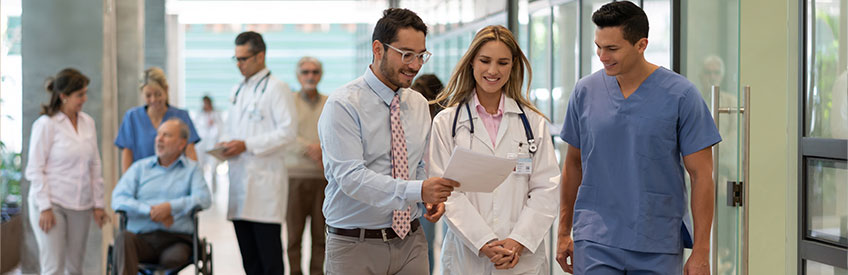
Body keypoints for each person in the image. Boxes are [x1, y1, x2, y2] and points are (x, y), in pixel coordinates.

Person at [555, 2, 721, 274]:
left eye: (612, 49)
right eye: (598, 46)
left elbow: (702, 175)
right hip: (596, 238)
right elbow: (573, 164)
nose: (602, 56)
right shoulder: (585, 91)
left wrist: (702, 251)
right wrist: (563, 232)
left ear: (641, 44)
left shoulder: (682, 95)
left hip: (657, 241)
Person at [317, 8, 459, 275]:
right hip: (355, 245)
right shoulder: (343, 105)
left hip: (411, 242)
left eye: (421, 56)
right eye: (406, 55)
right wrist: (418, 191)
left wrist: (428, 196)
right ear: (378, 49)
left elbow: (416, 164)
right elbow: (351, 178)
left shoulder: (417, 103)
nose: (415, 65)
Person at [428, 25, 560, 274]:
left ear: (513, 66)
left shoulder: (533, 123)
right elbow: (446, 193)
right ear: (471, 63)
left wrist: (518, 241)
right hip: (467, 257)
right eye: (485, 61)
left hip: (521, 259)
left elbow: (546, 188)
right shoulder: (447, 123)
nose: (492, 70)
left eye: (502, 62)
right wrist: (484, 242)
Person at [219, 31, 297, 275]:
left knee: (270, 260)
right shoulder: (238, 90)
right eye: (237, 59)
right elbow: (232, 128)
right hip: (240, 182)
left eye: (244, 58)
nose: (239, 64)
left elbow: (288, 132)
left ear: (260, 55)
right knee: (250, 261)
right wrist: (227, 145)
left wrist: (247, 144)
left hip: (265, 187)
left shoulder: (277, 88)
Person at [26, 68, 107, 275]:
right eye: (80, 94)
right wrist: (44, 207)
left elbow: (95, 164)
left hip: (81, 204)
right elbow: (35, 170)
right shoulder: (45, 125)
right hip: (52, 204)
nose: (84, 99)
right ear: (63, 96)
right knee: (53, 267)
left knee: (75, 268)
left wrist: (99, 204)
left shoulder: (88, 123)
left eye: (85, 93)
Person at [111, 119, 212, 275]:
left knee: (173, 259)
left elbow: (204, 198)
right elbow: (118, 199)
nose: (159, 139)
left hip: (176, 239)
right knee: (123, 240)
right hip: (141, 239)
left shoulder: (192, 170)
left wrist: (170, 208)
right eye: (158, 135)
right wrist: (150, 211)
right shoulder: (139, 168)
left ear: (181, 143)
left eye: (167, 135)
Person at [285, 56, 329, 275]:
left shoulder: (329, 103)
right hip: (294, 177)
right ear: (298, 75)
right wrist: (311, 148)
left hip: (322, 179)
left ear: (320, 75)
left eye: (314, 72)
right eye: (305, 72)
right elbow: (285, 135)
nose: (310, 76)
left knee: (320, 236)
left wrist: (323, 148)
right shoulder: (288, 102)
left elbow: (337, 133)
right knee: (294, 236)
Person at [115, 67, 201, 173]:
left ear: (166, 90)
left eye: (158, 94)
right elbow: (127, 156)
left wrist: (196, 179)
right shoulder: (132, 117)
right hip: (143, 181)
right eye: (148, 95)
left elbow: (190, 153)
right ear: (142, 93)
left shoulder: (181, 116)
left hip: (175, 181)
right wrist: (127, 185)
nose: (153, 100)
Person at [410, 73, 444, 274]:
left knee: (427, 244)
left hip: (437, 189)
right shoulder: (413, 122)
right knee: (420, 244)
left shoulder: (443, 123)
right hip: (415, 188)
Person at [192, 95, 223, 192]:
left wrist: (214, 124)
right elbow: (197, 129)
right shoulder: (199, 114)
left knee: (213, 169)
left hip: (213, 144)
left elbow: (221, 129)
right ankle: (202, 190)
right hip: (201, 145)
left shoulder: (216, 114)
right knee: (200, 168)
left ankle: (214, 191)